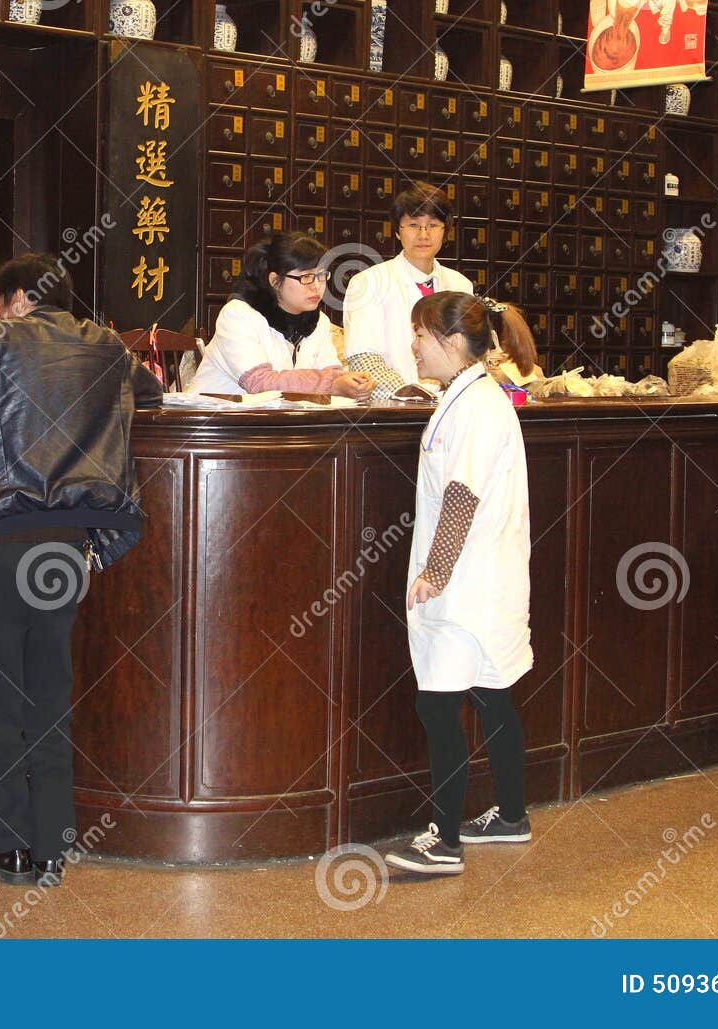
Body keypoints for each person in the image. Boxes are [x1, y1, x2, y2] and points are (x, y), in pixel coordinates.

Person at [0, 253, 162, 886]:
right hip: (63, 548)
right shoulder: (106, 346)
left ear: (18, 298)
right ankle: (54, 844)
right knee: (51, 695)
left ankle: (8, 844)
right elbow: (152, 390)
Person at [384, 291, 539, 875]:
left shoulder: (476, 406)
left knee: (438, 704)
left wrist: (435, 572)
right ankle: (512, 815)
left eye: (421, 335)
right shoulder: (471, 395)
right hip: (480, 581)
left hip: (466, 584)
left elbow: (461, 495)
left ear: (451, 343)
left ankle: (444, 840)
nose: (414, 346)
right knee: (493, 693)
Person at [191, 231, 374, 399]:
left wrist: (351, 383)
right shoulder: (238, 315)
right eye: (306, 277)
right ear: (275, 281)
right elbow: (260, 382)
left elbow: (332, 372)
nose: (317, 286)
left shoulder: (319, 322)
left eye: (321, 276)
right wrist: (331, 384)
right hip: (214, 424)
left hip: (273, 424)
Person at [341, 182, 474, 394]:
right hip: (390, 408)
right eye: (413, 225)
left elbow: (469, 355)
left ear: (445, 231)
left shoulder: (460, 285)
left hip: (450, 403)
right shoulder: (368, 282)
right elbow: (363, 358)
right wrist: (409, 395)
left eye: (432, 225)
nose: (423, 235)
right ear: (397, 232)